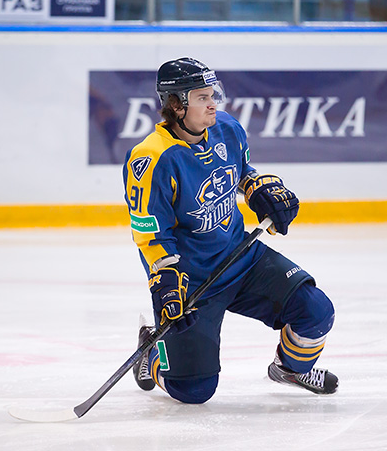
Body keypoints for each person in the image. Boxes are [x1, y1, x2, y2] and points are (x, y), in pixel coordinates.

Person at [122, 58, 337, 404]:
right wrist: (164, 279)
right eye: (202, 98)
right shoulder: (151, 158)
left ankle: (290, 369)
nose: (213, 104)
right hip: (192, 280)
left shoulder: (227, 128)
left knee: (316, 310)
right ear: (176, 105)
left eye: (213, 95)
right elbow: (150, 231)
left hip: (241, 257)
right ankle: (152, 353)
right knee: (193, 391)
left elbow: (241, 170)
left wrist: (258, 188)